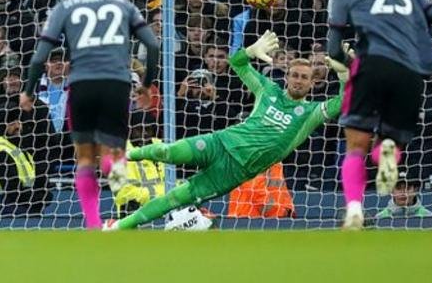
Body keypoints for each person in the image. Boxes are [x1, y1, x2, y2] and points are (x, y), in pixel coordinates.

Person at [103, 31, 347, 231]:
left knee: (174, 198)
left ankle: (119, 227)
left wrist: (346, 73)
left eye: (304, 77)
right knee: (168, 150)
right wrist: (251, 51)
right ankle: (125, 157)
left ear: (312, 82)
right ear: (287, 76)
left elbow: (344, 100)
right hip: (220, 142)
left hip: (232, 172)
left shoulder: (312, 113)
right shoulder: (268, 90)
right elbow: (238, 63)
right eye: (294, 74)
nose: (297, 80)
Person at [20, 0, 160, 230]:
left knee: (85, 157)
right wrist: (146, 86)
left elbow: (39, 56)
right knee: (115, 152)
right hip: (116, 84)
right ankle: (125, 206)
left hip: (81, 84)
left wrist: (28, 91)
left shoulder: (65, 7)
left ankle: (94, 223)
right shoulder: (122, 3)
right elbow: (153, 45)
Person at [326, 0, 432, 229]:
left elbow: (332, 48)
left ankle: (355, 207)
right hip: (410, 71)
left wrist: (349, 65)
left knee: (356, 146)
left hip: (371, 64)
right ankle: (387, 152)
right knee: (389, 141)